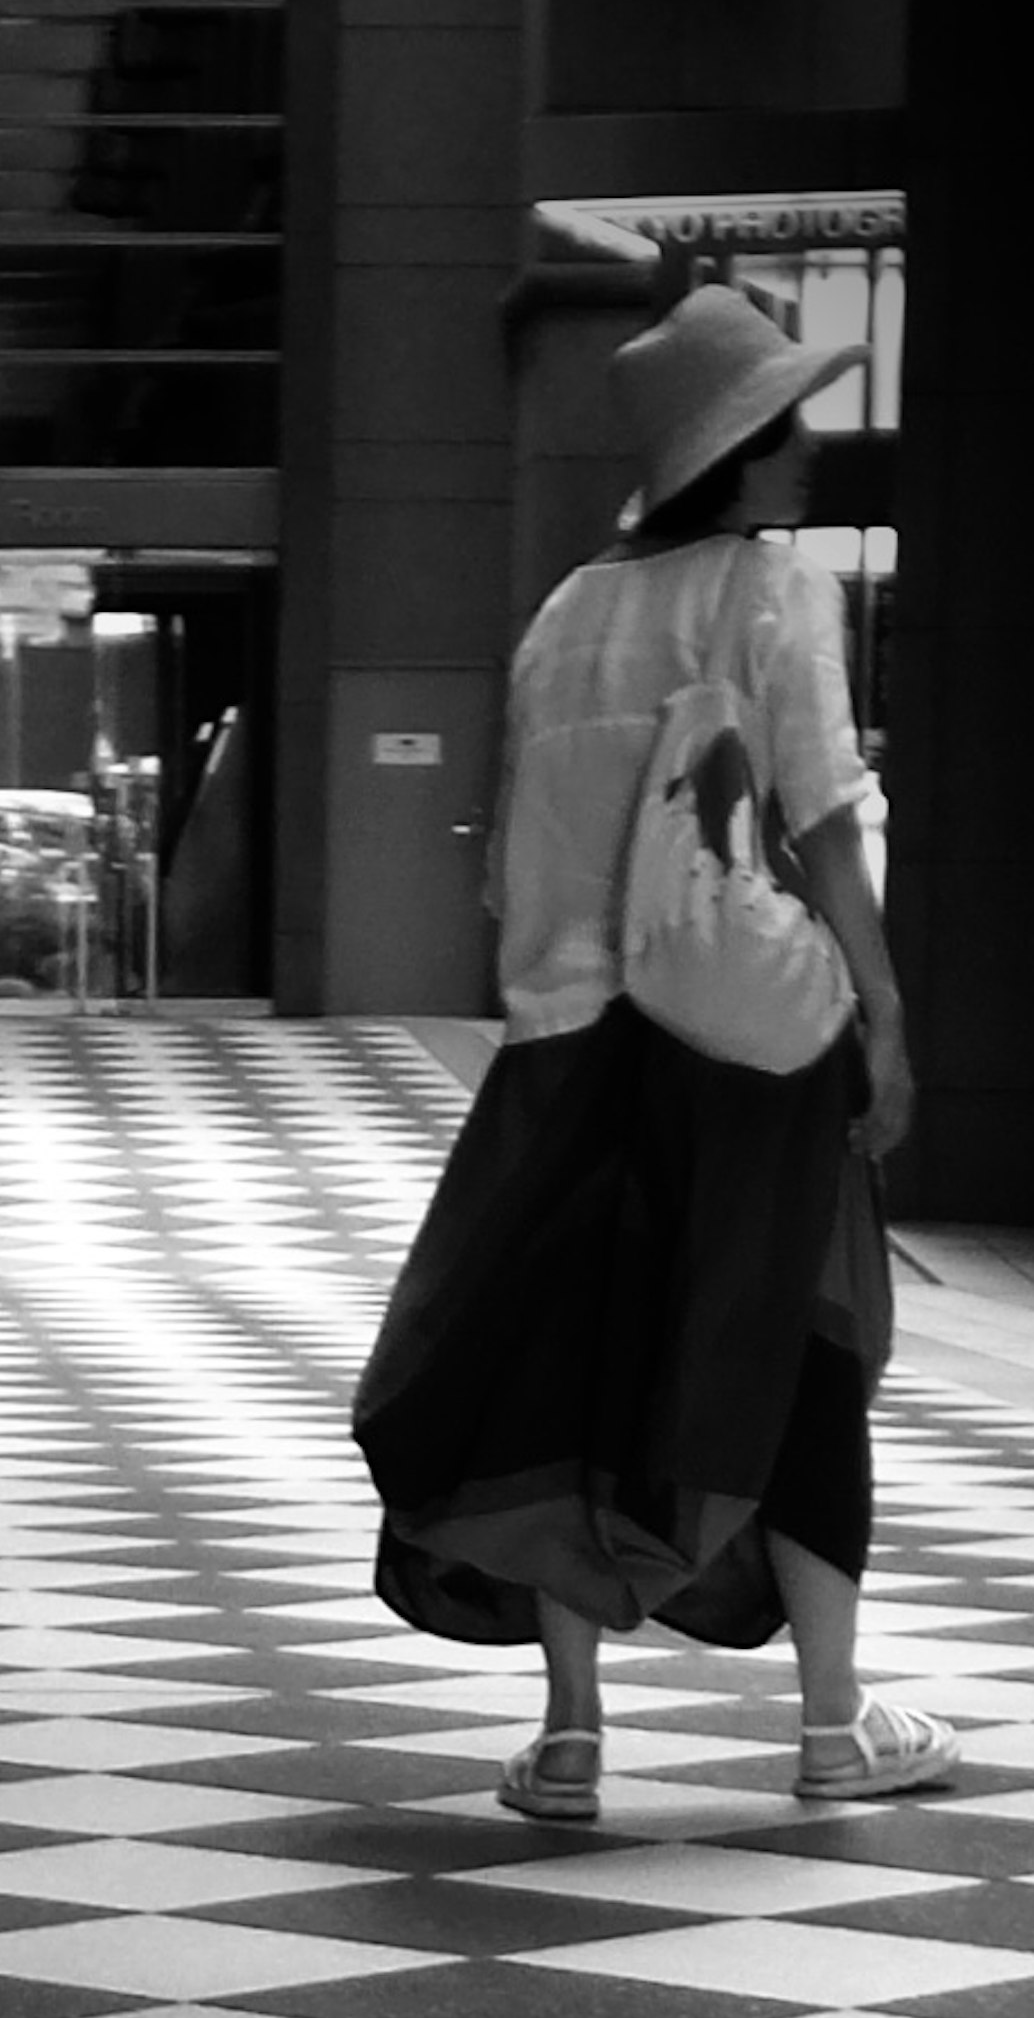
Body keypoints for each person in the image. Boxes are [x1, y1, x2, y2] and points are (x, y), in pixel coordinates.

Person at [351, 279, 952, 1822]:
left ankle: (569, 1739)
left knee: (570, 1368)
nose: (809, 451)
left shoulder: (567, 613)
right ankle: (831, 1724)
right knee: (804, 1352)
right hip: (745, 1053)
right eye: (789, 425)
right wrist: (880, 1017)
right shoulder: (768, 595)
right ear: (739, 446)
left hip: (572, 1051)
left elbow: (523, 872)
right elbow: (819, 816)